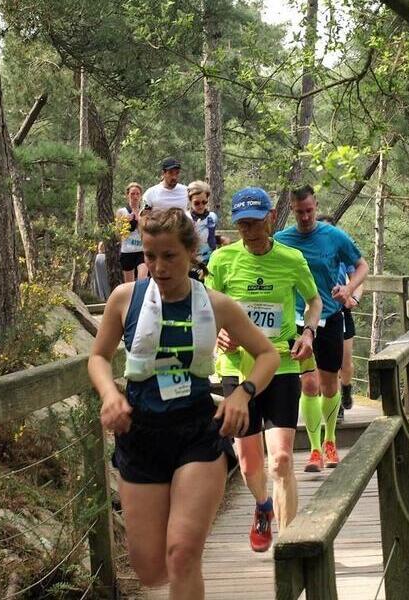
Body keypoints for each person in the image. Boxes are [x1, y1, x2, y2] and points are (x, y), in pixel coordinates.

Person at [88, 207, 279, 599]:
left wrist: (243, 393)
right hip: (139, 433)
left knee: (182, 553)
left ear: (192, 252)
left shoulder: (216, 304)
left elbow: (268, 355)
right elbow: (98, 357)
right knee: (150, 568)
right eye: (149, 256)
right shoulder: (125, 299)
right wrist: (110, 394)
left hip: (197, 433)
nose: (158, 267)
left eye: (169, 256)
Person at [207, 187, 322, 552]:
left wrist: (308, 332)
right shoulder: (223, 261)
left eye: (256, 223)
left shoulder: (290, 259)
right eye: (242, 225)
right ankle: (262, 506)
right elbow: (207, 307)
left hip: (283, 366)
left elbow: (315, 300)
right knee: (247, 462)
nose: (250, 231)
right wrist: (220, 334)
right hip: (237, 370)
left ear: (271, 218)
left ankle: (290, 544)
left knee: (282, 459)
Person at [275, 185, 369, 472]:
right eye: (299, 212)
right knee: (309, 383)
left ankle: (330, 441)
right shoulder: (281, 240)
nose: (305, 217)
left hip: (330, 316)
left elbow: (361, 265)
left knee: (329, 384)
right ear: (291, 209)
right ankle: (315, 450)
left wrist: (349, 289)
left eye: (309, 211)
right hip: (297, 321)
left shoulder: (333, 236)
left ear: (316, 205)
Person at [317, 215, 362, 423]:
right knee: (328, 363)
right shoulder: (311, 252)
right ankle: (335, 408)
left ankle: (346, 388)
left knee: (345, 360)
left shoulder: (342, 252)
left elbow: (358, 278)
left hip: (342, 310)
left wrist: (353, 297)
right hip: (320, 312)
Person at [116, 182, 146, 282]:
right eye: (132, 194)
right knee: (129, 285)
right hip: (127, 251)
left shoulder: (144, 212)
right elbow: (118, 234)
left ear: (141, 196)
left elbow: (147, 232)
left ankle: (142, 297)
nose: (135, 196)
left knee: (142, 281)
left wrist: (139, 220)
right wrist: (125, 222)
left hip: (141, 251)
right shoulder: (121, 212)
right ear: (127, 195)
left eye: (137, 194)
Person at [187, 180, 218, 277]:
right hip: (191, 261)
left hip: (209, 259)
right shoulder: (185, 217)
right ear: (190, 201)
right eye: (197, 203)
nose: (201, 206)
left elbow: (211, 241)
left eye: (204, 202)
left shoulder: (212, 217)